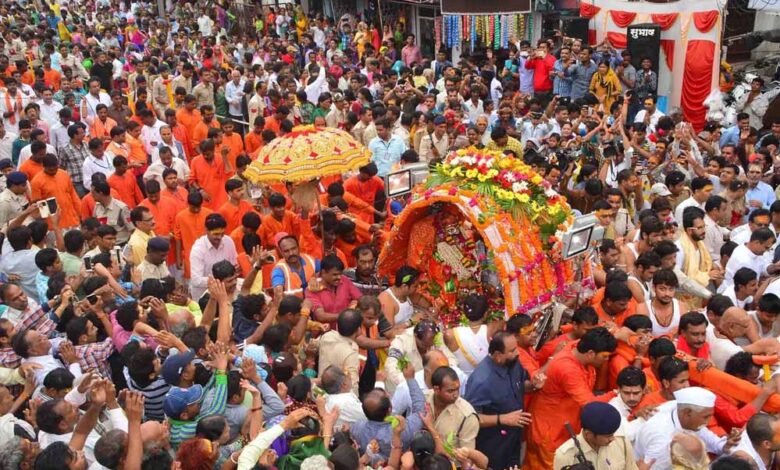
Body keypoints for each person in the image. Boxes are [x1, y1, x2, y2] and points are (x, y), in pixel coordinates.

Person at [525, 327, 618, 469]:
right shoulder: (567, 369)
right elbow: (590, 405)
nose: (607, 360)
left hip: (565, 427)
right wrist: (615, 394)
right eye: (604, 356)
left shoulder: (579, 346)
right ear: (591, 353)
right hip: (550, 434)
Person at [464, 331, 530, 470]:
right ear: (498, 355)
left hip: (514, 440)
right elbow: (470, 419)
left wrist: (534, 385)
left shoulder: (513, 363)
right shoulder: (481, 381)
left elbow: (522, 385)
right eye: (512, 351)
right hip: (493, 447)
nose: (517, 353)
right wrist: (502, 419)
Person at [634, 387, 741, 469]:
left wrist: (725, 445)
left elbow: (709, 439)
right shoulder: (662, 437)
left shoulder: (688, 416)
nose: (708, 421)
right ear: (687, 413)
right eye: (706, 417)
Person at [554, 401, 637, 470]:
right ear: (589, 434)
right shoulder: (566, 455)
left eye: (613, 434)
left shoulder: (622, 442)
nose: (613, 439)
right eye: (608, 436)